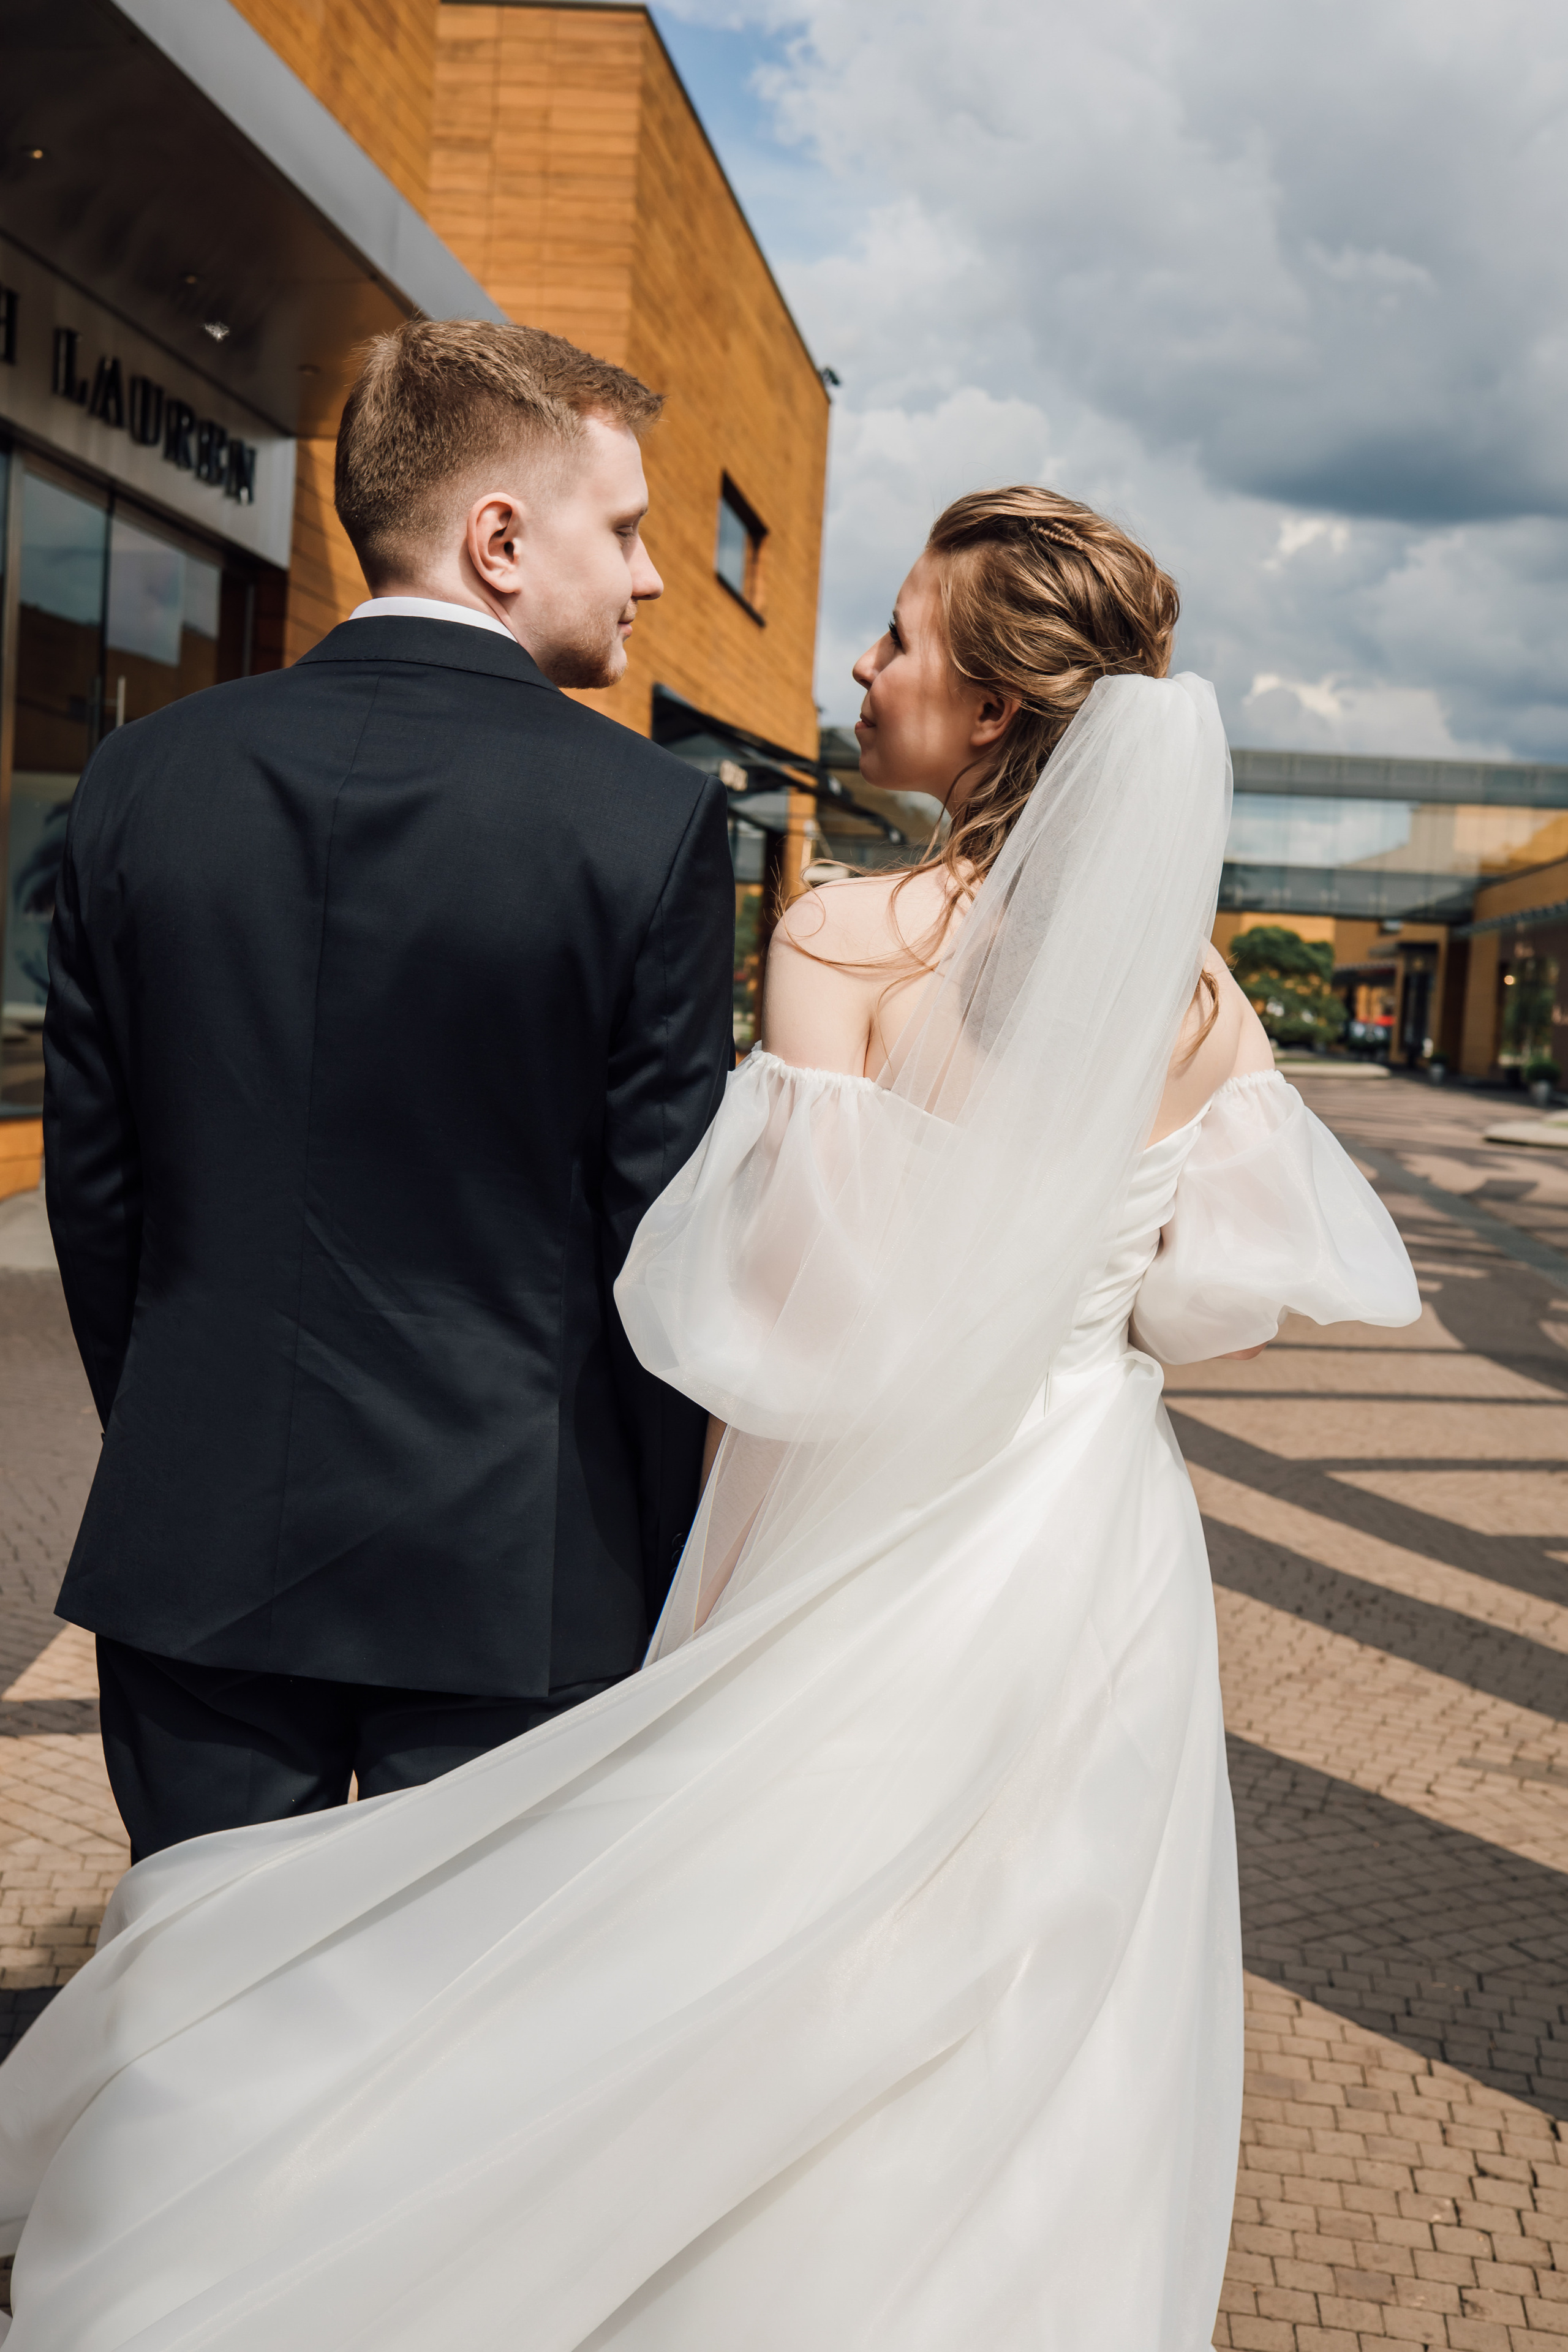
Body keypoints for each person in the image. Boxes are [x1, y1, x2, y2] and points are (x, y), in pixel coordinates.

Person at [0, 488, 1419, 2350]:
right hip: (1091, 1537)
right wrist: (1070, 1307)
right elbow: (1214, 1314)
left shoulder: (845, 939)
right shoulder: (1204, 1011)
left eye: (899, 636)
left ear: (995, 708)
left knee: (748, 1929)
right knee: (1037, 1978)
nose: (863, 666)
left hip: (874, 1529)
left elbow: (776, 1324)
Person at [40, 320, 734, 1863]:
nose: (648, 578)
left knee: (199, 1994)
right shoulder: (646, 821)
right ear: (499, 540)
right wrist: (649, 1563)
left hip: (196, 1538)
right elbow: (661, 1242)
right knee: (455, 2011)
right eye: (624, 529)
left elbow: (96, 1194)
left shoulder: (140, 780)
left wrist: (180, 1434)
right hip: (514, 1574)